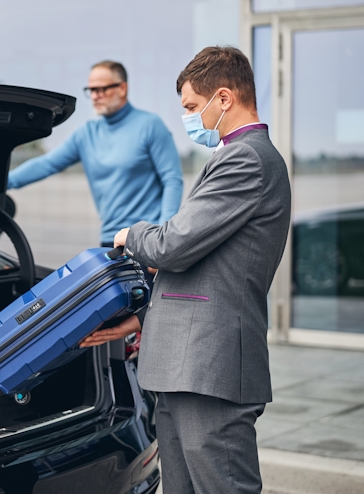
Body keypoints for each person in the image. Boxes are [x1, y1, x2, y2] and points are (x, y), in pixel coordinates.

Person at [80, 46, 292, 493]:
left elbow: (173, 246)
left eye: (193, 108)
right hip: (182, 366)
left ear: (224, 98)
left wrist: (131, 234)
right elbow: (209, 267)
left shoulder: (246, 159)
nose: (189, 118)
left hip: (208, 370)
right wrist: (140, 320)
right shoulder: (234, 156)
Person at [7, 61, 183, 252]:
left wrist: (162, 238)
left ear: (122, 88)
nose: (95, 96)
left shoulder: (150, 125)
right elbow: (46, 164)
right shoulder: (86, 134)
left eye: (102, 89)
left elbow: (172, 180)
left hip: (147, 238)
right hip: (111, 239)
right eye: (91, 90)